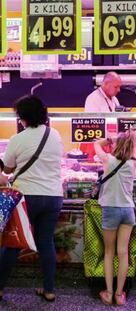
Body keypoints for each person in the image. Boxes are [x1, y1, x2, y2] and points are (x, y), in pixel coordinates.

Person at [0, 95, 64, 302]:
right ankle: (49, 289)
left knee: (14, 243)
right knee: (46, 242)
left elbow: (8, 168)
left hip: (26, 197)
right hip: (53, 196)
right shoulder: (55, 135)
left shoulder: (18, 139)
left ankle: (0, 288)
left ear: (24, 117)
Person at [94, 130, 136, 306]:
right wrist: (128, 139)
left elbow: (96, 144)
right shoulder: (133, 163)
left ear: (116, 144)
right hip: (128, 210)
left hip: (110, 209)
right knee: (123, 252)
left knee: (109, 252)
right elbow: (131, 149)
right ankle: (120, 295)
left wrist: (110, 139)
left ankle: (109, 293)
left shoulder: (108, 160)